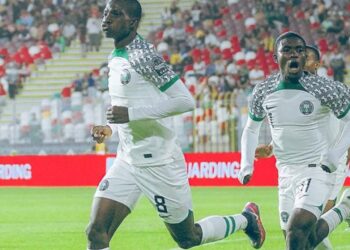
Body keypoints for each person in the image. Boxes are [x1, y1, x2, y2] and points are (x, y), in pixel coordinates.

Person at [86, 1, 266, 250]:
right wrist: (110, 127)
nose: (106, 19)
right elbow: (124, 105)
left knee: (187, 237)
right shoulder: (116, 55)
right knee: (96, 232)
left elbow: (185, 101)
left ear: (132, 22)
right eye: (106, 12)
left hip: (159, 162)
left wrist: (130, 114)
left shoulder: (144, 56)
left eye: (116, 14)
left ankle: (246, 220)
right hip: (127, 159)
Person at [238, 31, 350, 250]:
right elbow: (255, 128)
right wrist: (248, 163)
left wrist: (335, 153)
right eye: (287, 50)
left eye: (300, 51)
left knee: (297, 231)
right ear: (275, 56)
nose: (296, 55)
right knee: (302, 241)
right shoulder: (264, 90)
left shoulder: (326, 89)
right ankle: (345, 209)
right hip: (286, 172)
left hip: (319, 168)